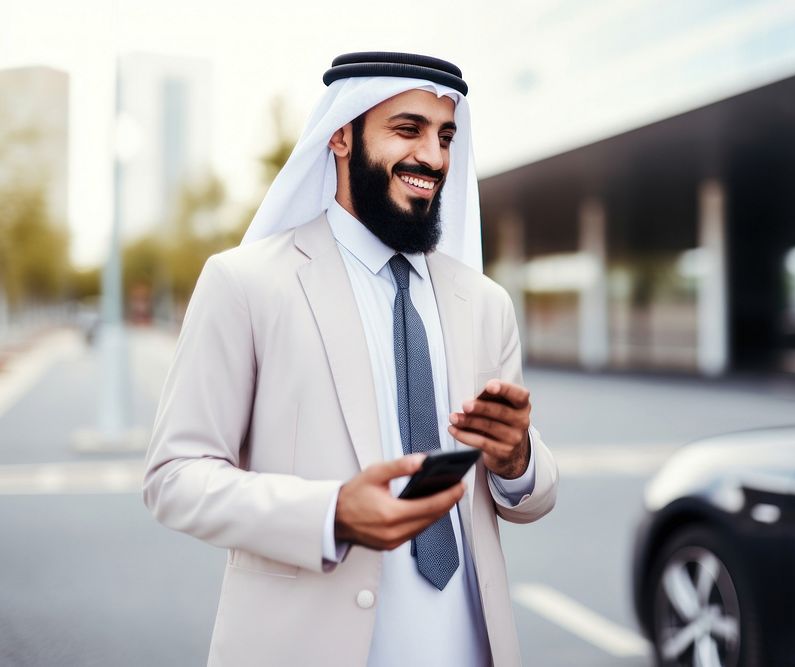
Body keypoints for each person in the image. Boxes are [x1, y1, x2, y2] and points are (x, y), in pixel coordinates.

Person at [142, 52, 558, 666]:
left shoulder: (486, 302)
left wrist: (517, 457)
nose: (433, 158)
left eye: (445, 137)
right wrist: (331, 513)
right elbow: (174, 478)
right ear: (340, 135)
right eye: (407, 129)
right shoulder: (247, 282)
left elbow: (532, 496)